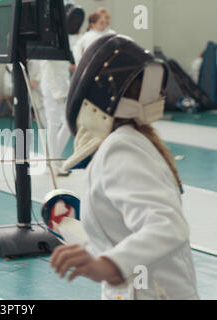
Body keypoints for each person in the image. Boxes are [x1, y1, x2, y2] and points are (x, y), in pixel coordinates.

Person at [51, 35, 198, 300]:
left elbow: (167, 224)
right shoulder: (133, 140)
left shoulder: (120, 149)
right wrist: (89, 247)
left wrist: (108, 265)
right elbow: (125, 233)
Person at [40, 59, 71, 176]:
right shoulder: (49, 51)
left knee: (68, 123)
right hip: (52, 91)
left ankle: (54, 160)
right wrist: (56, 92)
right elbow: (48, 71)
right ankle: (53, 164)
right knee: (53, 124)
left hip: (64, 89)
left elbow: (64, 71)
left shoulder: (63, 48)